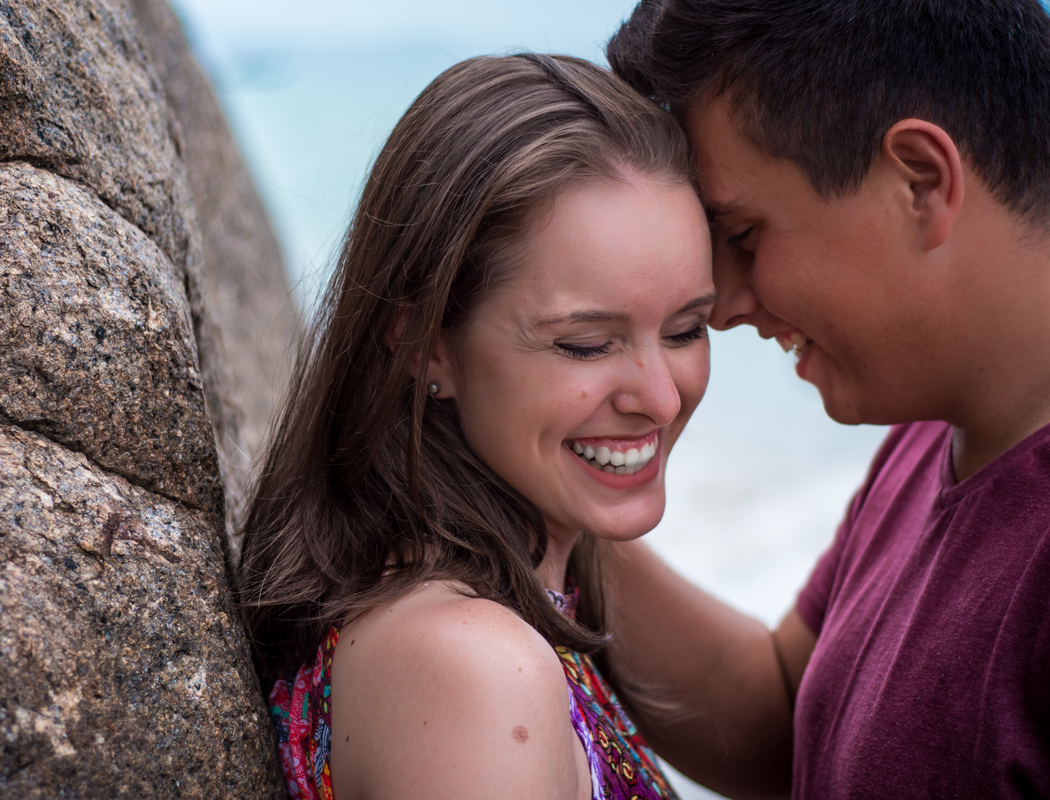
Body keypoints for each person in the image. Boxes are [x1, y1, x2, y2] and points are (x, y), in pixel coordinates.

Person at [237, 53, 717, 800]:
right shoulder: (474, 669)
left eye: (688, 329)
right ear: (428, 345)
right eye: (586, 344)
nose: (660, 397)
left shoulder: (494, 598)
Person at [600, 1, 1050, 798]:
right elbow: (794, 722)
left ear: (919, 181)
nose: (724, 303)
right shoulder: (935, 430)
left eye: (742, 235)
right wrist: (548, 497)